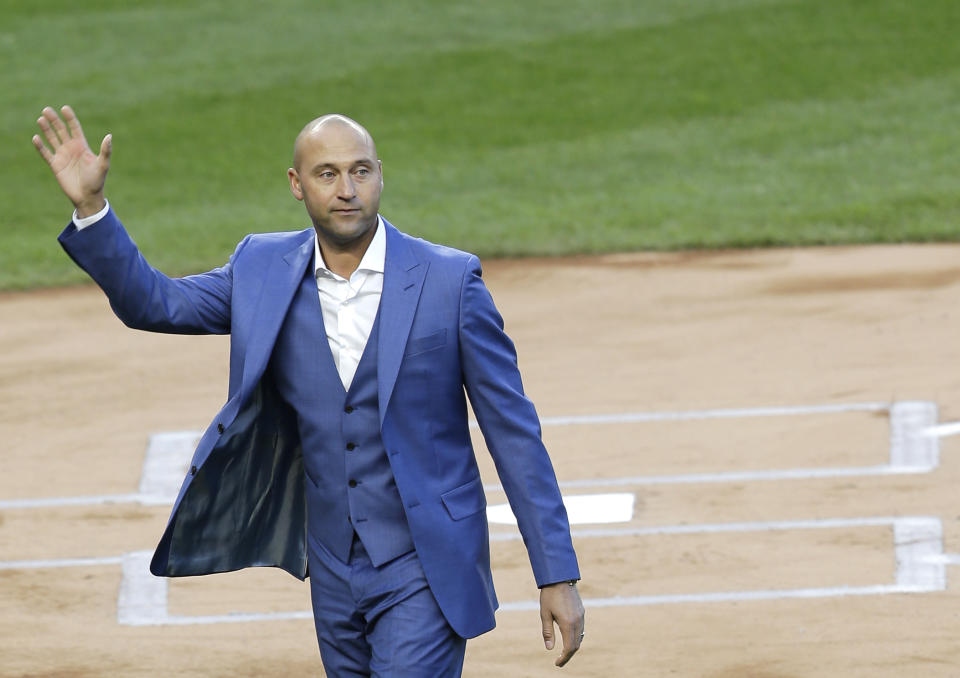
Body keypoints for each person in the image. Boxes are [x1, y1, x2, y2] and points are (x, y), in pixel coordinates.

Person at [33, 105, 585, 676]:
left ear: (379, 176)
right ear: (297, 185)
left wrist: (556, 574)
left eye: (361, 171)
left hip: (426, 563)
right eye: (327, 174)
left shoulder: (450, 282)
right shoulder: (261, 268)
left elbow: (514, 434)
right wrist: (91, 209)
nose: (347, 189)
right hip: (331, 567)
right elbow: (155, 303)